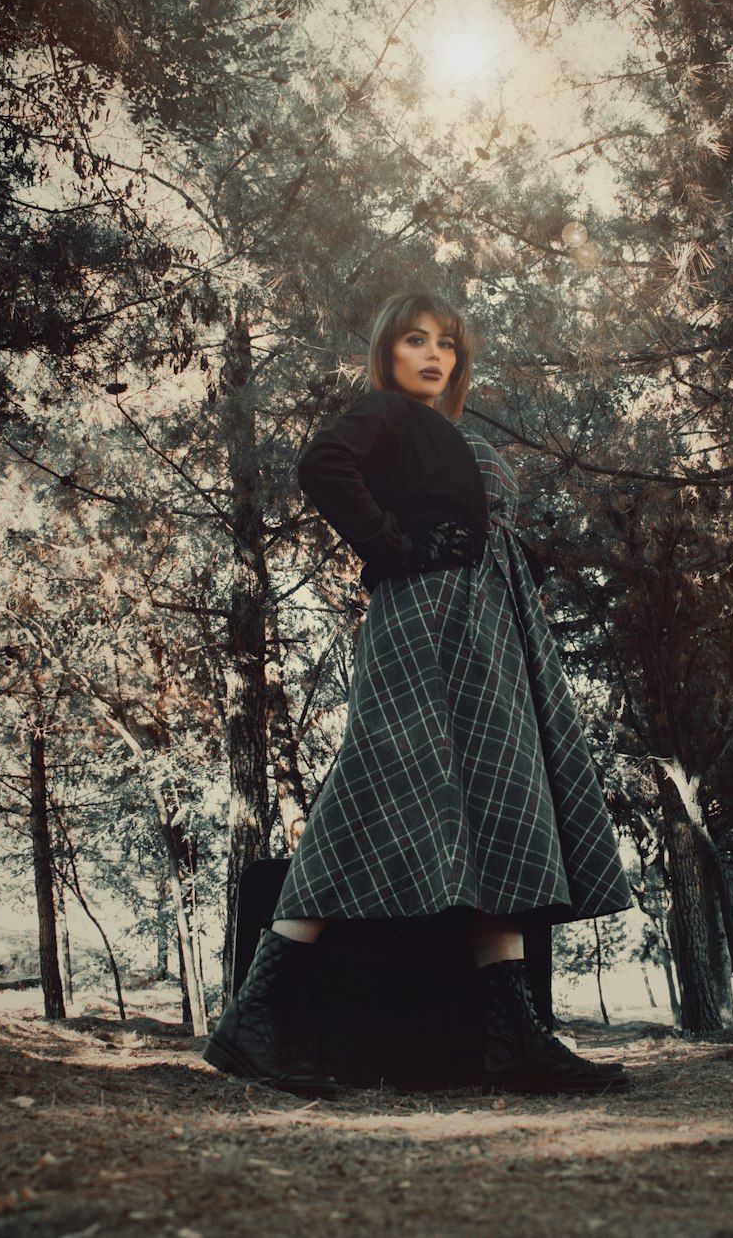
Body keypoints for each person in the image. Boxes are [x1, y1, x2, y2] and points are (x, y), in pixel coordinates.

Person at [204, 292, 632, 1096]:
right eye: (415, 340)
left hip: (497, 635)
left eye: (448, 344)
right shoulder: (385, 416)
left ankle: (512, 1038)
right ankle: (252, 1016)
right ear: (387, 352)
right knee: (371, 786)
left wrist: (516, 571)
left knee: (501, 801)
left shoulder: (460, 438)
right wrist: (388, 543)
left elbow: (483, 524)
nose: (435, 355)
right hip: (424, 622)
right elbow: (321, 465)